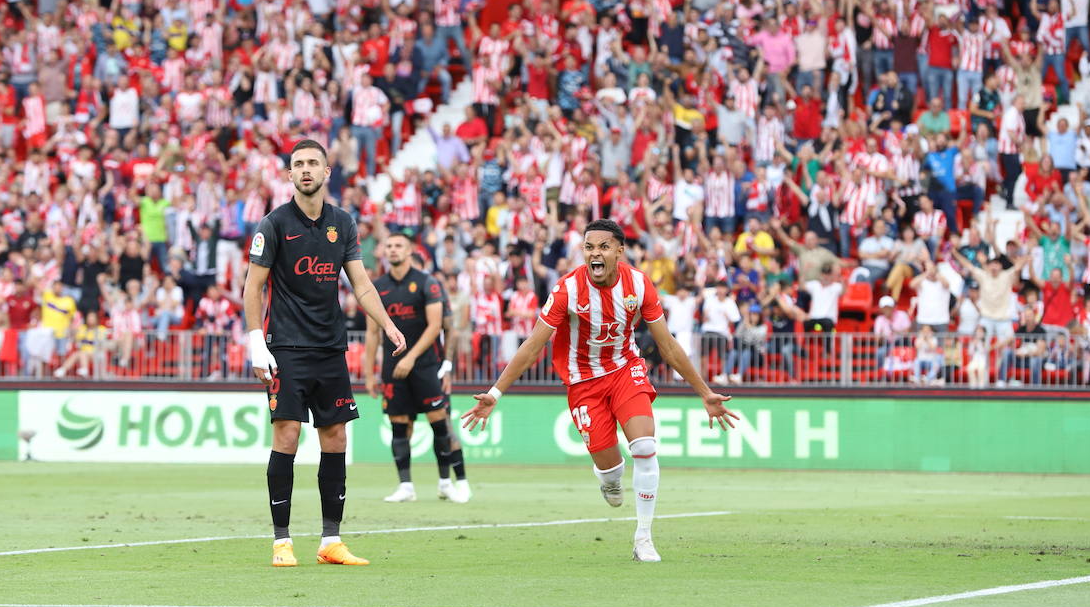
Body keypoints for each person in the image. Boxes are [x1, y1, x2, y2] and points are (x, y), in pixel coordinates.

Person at [460, 219, 738, 563]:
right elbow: (532, 346)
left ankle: (644, 539)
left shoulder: (639, 284)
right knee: (611, 470)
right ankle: (608, 479)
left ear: (619, 251)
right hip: (583, 383)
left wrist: (704, 392)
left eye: (603, 247)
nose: (595, 253)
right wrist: (495, 393)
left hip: (625, 370)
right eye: (589, 247)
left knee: (645, 445)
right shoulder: (567, 291)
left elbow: (667, 345)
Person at [242, 140, 407, 568]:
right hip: (287, 348)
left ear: (327, 171)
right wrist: (254, 340)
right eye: (298, 164)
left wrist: (388, 324)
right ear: (290, 174)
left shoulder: (343, 223)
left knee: (335, 438)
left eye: (313, 163)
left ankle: (330, 540)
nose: (306, 170)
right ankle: (282, 541)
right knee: (288, 436)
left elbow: (362, 284)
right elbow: (252, 287)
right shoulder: (274, 224)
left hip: (330, 347)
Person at [364, 232, 469, 504]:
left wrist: (410, 358)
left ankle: (445, 482)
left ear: (409, 251)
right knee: (399, 427)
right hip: (391, 367)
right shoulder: (377, 287)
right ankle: (406, 486)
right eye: (388, 245)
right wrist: (369, 373)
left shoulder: (427, 283)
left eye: (398, 245)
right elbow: (372, 333)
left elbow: (436, 326)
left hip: (425, 366)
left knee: (439, 425)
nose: (393, 249)